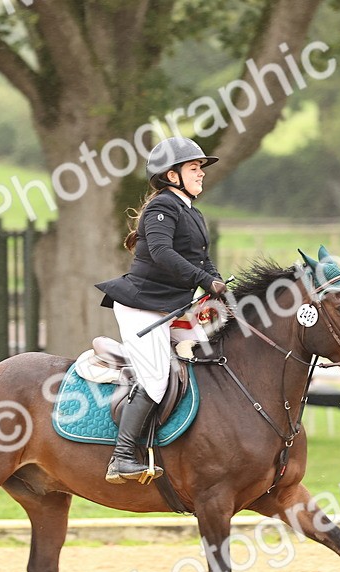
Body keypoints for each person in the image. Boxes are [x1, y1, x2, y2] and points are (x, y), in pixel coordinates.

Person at [94, 136, 227, 484]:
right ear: (172, 175)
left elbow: (202, 259)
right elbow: (162, 253)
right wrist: (203, 280)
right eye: (194, 168)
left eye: (201, 169)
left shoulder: (191, 212)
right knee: (155, 381)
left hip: (170, 308)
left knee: (215, 349)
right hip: (143, 307)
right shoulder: (162, 208)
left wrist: (218, 285)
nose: (201, 174)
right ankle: (121, 458)